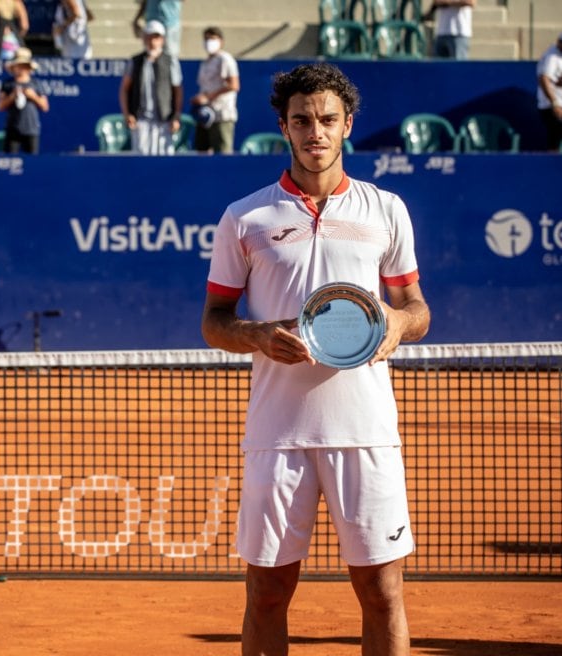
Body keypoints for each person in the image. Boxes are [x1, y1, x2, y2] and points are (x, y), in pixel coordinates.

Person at [201, 62, 431, 656]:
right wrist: (256, 334)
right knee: (267, 594)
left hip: (366, 431)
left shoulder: (386, 209)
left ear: (347, 124)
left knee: (382, 592)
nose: (315, 132)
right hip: (278, 435)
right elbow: (214, 321)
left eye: (327, 119)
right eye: (301, 120)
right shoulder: (245, 217)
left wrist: (398, 323)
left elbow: (416, 308)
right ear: (283, 126)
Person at [119, 20, 182, 156]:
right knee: (141, 158)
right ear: (144, 38)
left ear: (162, 39)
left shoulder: (171, 61)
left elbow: (177, 90)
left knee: (165, 158)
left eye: (156, 37)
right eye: (149, 37)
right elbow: (124, 89)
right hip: (141, 121)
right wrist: (127, 114)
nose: (152, 41)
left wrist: (176, 115)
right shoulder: (135, 61)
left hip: (164, 120)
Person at [191, 26, 239, 154]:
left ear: (221, 41)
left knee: (222, 155)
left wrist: (208, 97)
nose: (208, 42)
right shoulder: (205, 63)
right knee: (201, 152)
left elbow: (234, 85)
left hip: (221, 115)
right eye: (206, 39)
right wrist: (199, 99)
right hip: (205, 115)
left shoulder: (225, 59)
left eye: (212, 39)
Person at [0, 47, 48, 154]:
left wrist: (32, 96)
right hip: (13, 129)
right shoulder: (7, 84)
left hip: (31, 129)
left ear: (29, 68)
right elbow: (0, 106)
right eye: (19, 66)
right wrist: (12, 96)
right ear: (14, 67)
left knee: (32, 161)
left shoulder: (36, 84)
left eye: (24, 66)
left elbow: (45, 106)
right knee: (10, 160)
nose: (21, 69)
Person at [536, 32, 562, 152]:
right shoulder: (552, 56)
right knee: (554, 138)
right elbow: (544, 79)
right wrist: (555, 103)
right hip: (551, 106)